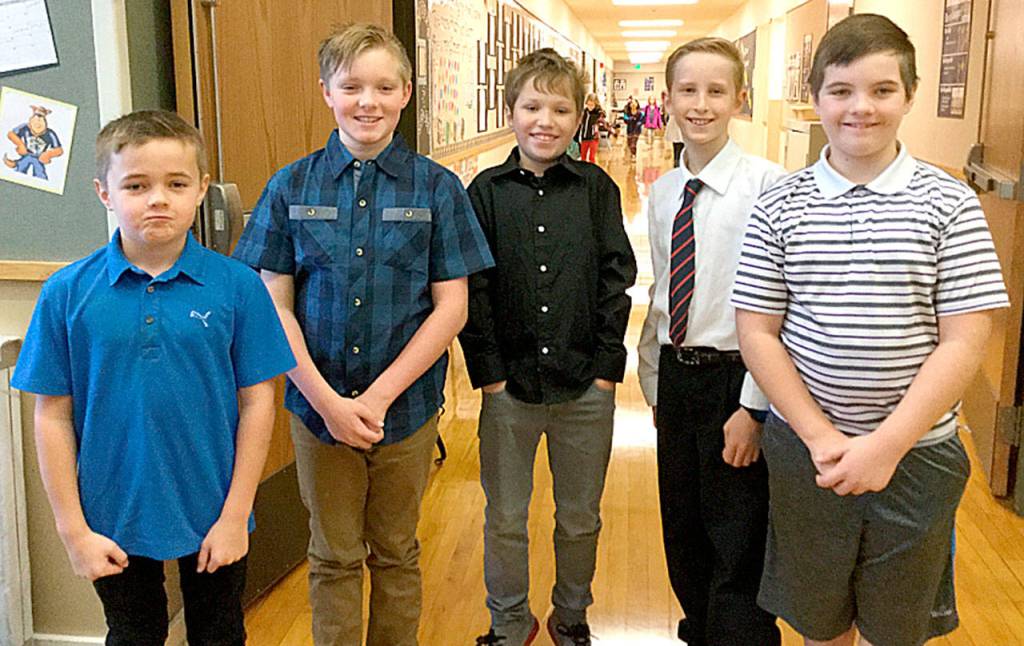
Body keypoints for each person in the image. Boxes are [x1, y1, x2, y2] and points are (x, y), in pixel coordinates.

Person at [732, 14, 1009, 646]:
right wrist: (820, 435)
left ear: (909, 96)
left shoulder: (950, 203)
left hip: (918, 455)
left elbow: (965, 338)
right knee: (819, 614)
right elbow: (759, 332)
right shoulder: (780, 205)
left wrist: (886, 445)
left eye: (882, 90)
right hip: (807, 451)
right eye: (841, 90)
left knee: (899, 623)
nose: (861, 107)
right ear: (816, 98)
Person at [232, 23, 494, 646]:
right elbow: (275, 306)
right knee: (332, 555)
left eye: (383, 87)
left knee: (396, 552)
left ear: (405, 92)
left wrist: (374, 400)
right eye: (351, 86)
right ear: (326, 91)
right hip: (316, 408)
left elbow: (451, 308)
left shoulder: (437, 188)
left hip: (405, 411)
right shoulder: (290, 186)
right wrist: (328, 402)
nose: (367, 102)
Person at [12, 109, 296, 645]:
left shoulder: (237, 287)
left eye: (176, 184)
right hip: (111, 513)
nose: (158, 198)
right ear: (104, 192)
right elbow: (51, 414)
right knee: (132, 633)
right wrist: (73, 531)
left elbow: (259, 403)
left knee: (218, 632)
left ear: (201, 190)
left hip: (215, 508)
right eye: (137, 185)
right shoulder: (67, 293)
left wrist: (237, 513)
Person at [460, 48, 637, 646]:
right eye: (532, 105)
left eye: (560, 108)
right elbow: (473, 287)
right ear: (510, 110)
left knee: (579, 517)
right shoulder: (484, 191)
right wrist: (488, 372)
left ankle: (571, 615)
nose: (546, 120)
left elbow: (617, 278)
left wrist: (608, 370)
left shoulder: (597, 189)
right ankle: (509, 621)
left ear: (577, 117)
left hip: (585, 383)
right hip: (508, 386)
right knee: (505, 518)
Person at [638, 38, 785, 646]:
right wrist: (653, 379)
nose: (700, 105)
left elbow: (781, 311)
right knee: (685, 533)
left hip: (738, 378)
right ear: (666, 98)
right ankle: (699, 631)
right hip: (678, 378)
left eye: (716, 91)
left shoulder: (770, 188)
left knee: (739, 539)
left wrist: (753, 407)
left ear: (739, 100)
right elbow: (664, 292)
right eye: (688, 91)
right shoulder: (666, 189)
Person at [575, 92, 604, 163]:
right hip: (584, 137)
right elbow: (580, 123)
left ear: (595, 104)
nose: (590, 107)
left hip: (593, 138)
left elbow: (601, 122)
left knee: (591, 157)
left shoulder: (598, 113)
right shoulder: (585, 112)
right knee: (583, 156)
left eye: (592, 105)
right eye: (588, 105)